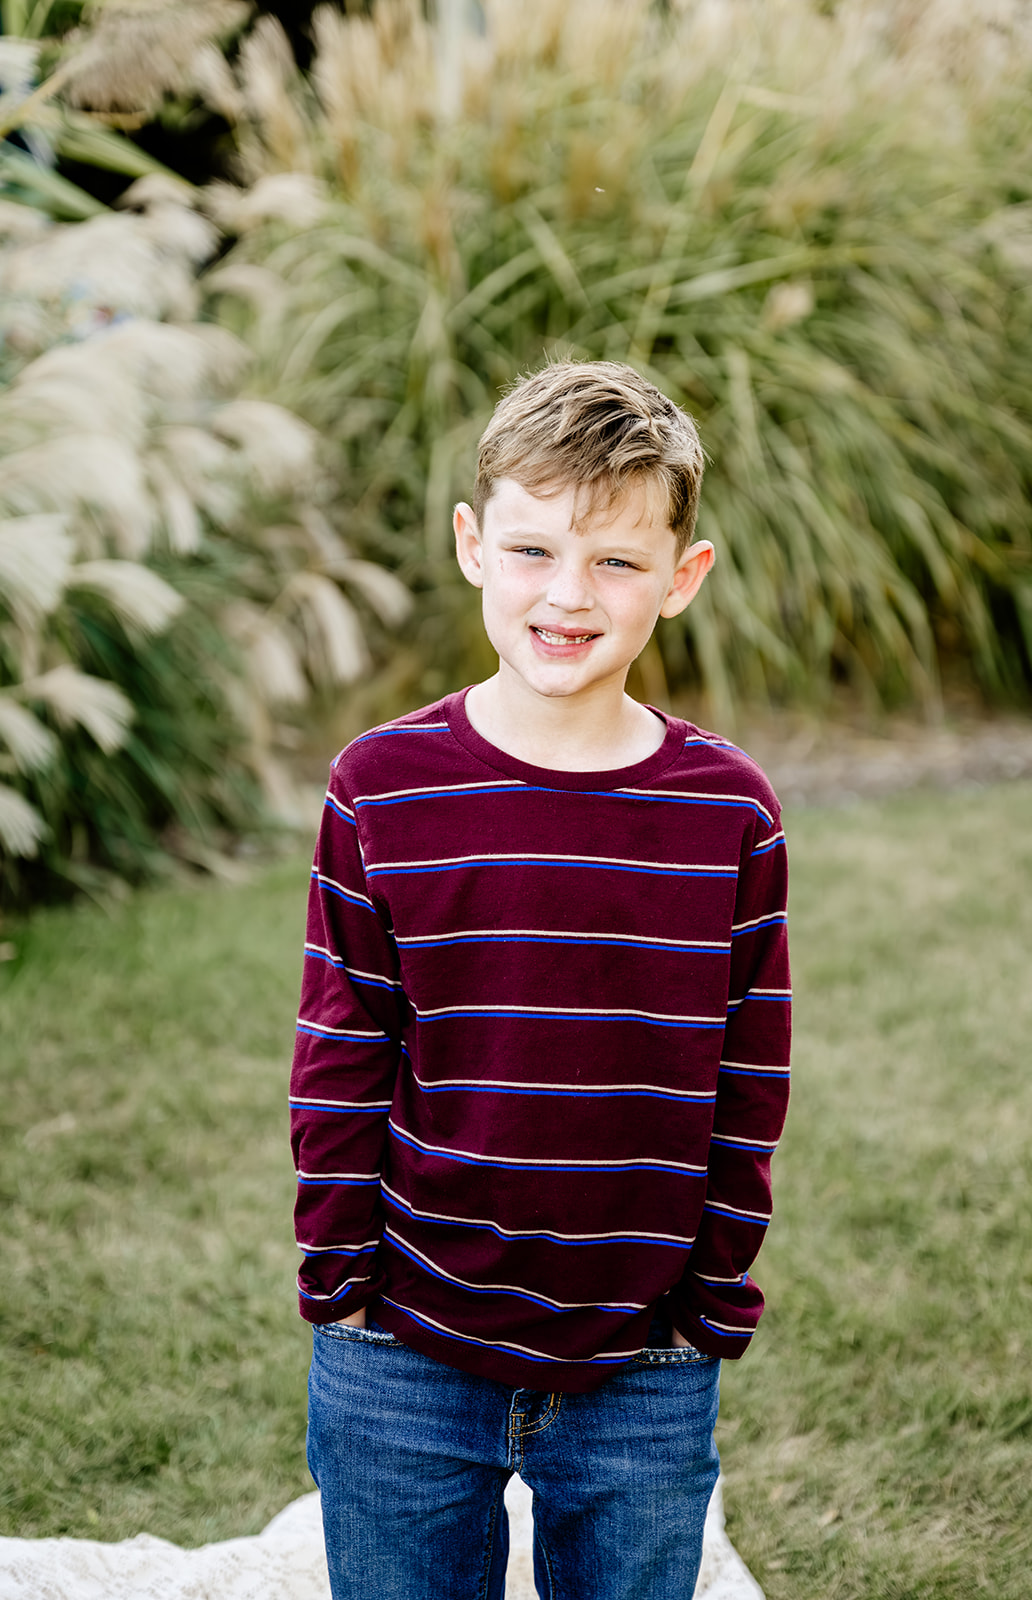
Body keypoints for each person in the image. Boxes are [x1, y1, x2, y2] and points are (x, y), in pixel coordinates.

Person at [290, 360, 791, 1600]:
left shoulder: (725, 813)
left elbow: (748, 1068)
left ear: (682, 577)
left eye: (616, 561)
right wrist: (340, 1285)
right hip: (402, 1340)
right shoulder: (382, 787)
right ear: (472, 545)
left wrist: (708, 1301)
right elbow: (344, 1043)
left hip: (643, 1355)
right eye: (531, 550)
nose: (566, 595)